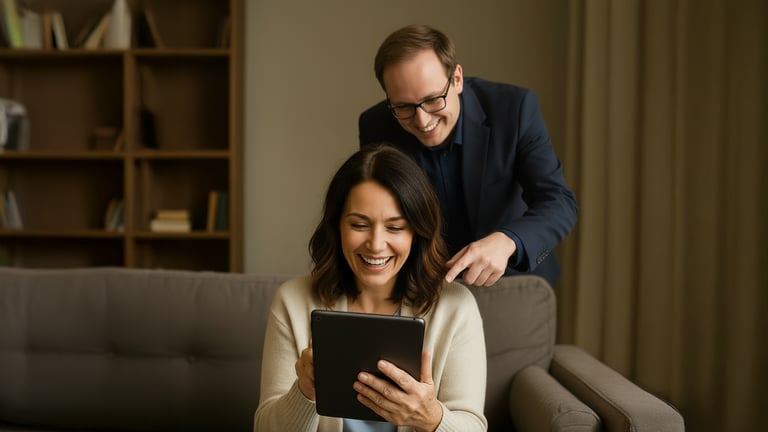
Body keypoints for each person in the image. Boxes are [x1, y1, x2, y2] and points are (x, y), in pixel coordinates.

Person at [253, 145, 487, 432]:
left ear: (417, 232)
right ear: (337, 226)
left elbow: (473, 427)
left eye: (395, 227)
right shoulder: (292, 301)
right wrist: (304, 393)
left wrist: (430, 417)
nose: (376, 244)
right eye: (359, 224)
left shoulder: (457, 308)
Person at [359, 24, 578, 288]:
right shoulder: (375, 125)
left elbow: (559, 202)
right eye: (403, 106)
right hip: (421, 287)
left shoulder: (515, 109)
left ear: (457, 79)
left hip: (511, 283)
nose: (422, 119)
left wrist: (508, 241)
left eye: (433, 99)